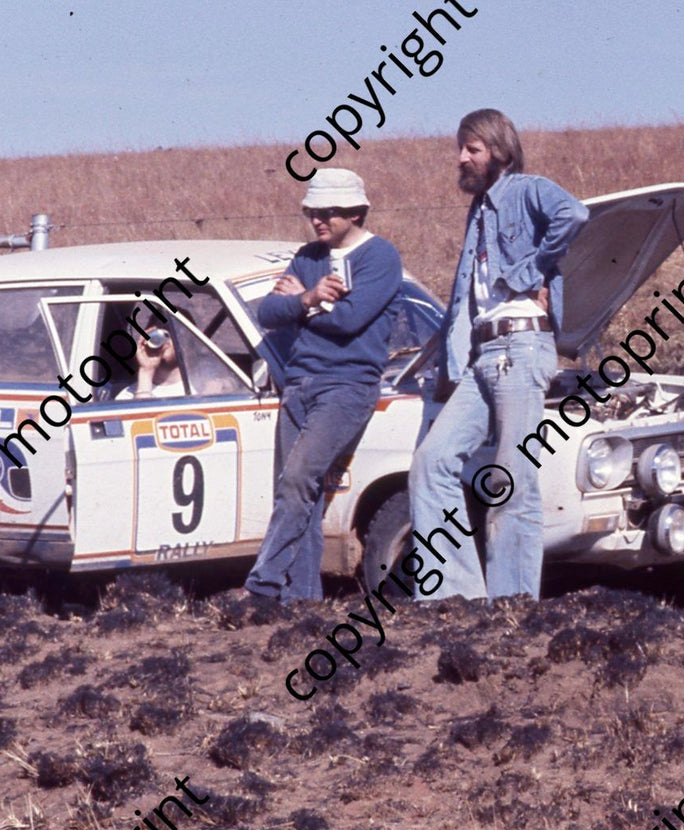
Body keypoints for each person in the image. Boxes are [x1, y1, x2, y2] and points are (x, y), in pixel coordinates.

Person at [409, 109, 588, 599]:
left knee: (512, 480)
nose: (461, 157)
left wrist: (530, 270)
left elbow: (574, 213)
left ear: (499, 151)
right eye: (461, 148)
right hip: (483, 355)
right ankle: (456, 598)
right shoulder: (479, 209)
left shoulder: (526, 189)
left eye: (473, 148)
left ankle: (513, 606)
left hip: (521, 346)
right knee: (432, 462)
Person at [243, 168, 403, 601]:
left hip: (347, 386)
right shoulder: (308, 255)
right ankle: (302, 602)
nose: (318, 220)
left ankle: (262, 585)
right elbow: (269, 312)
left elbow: (352, 321)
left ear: (355, 212)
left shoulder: (380, 257)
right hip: (299, 383)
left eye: (329, 212)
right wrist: (311, 299)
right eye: (313, 211)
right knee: (301, 495)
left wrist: (304, 304)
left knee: (298, 481)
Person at [115, 321, 186, 399]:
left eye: (173, 332)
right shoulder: (128, 396)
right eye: (158, 333)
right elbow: (140, 410)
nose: (165, 340)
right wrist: (146, 371)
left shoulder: (200, 388)